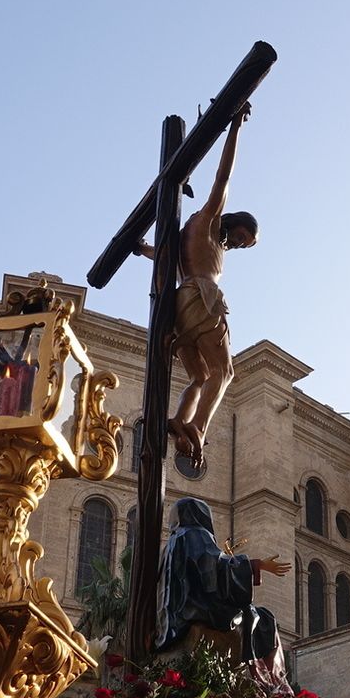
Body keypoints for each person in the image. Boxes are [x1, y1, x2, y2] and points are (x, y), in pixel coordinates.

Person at [135, 103, 256, 468]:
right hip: (202, 298)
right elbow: (223, 177)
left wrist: (142, 249)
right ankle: (199, 428)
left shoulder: (192, 236)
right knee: (225, 371)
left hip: (180, 306)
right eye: (242, 237)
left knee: (200, 376)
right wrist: (235, 128)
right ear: (234, 222)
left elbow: (166, 258)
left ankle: (180, 420)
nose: (238, 245)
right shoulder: (207, 222)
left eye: (244, 246)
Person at [156, 497, 288, 687]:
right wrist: (255, 565)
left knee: (254, 616)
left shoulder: (170, 544)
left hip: (174, 618)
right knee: (264, 618)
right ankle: (270, 679)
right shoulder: (197, 534)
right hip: (199, 608)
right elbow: (213, 568)